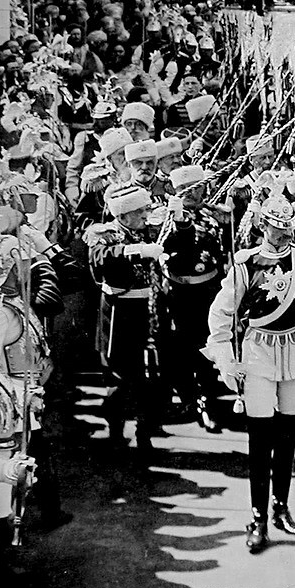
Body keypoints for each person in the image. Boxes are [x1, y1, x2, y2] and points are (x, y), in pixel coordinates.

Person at [205, 197, 295, 552]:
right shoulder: (246, 264)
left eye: (287, 229)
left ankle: (281, 506)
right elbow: (219, 318)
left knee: (288, 434)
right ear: (263, 226)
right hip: (258, 354)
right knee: (259, 437)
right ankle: (257, 516)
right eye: (276, 229)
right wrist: (225, 359)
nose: (282, 236)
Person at [85, 183, 162, 452]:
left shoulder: (148, 229)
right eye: (140, 211)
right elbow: (98, 258)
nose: (145, 215)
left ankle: (144, 432)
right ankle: (115, 433)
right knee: (117, 377)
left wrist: (179, 217)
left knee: (147, 376)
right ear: (124, 215)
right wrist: (132, 252)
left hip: (147, 310)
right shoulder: (104, 233)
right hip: (119, 313)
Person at [159, 164, 230, 434]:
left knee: (207, 348)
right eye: (184, 190)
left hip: (208, 291)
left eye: (197, 188)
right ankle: (187, 399)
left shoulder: (215, 217)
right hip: (176, 292)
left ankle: (207, 402)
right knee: (178, 350)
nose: (192, 194)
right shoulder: (163, 218)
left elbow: (226, 250)